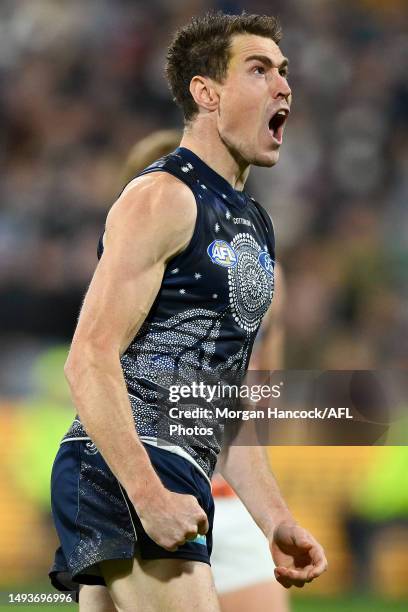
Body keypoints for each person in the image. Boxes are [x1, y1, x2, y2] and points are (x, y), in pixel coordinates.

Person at [49, 11, 327, 612]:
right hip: (131, 468)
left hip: (173, 470)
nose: (283, 85)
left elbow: (227, 406)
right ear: (207, 93)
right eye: (259, 70)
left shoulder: (254, 224)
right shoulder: (162, 196)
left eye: (284, 71)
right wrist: (148, 494)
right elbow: (88, 358)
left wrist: (274, 520)